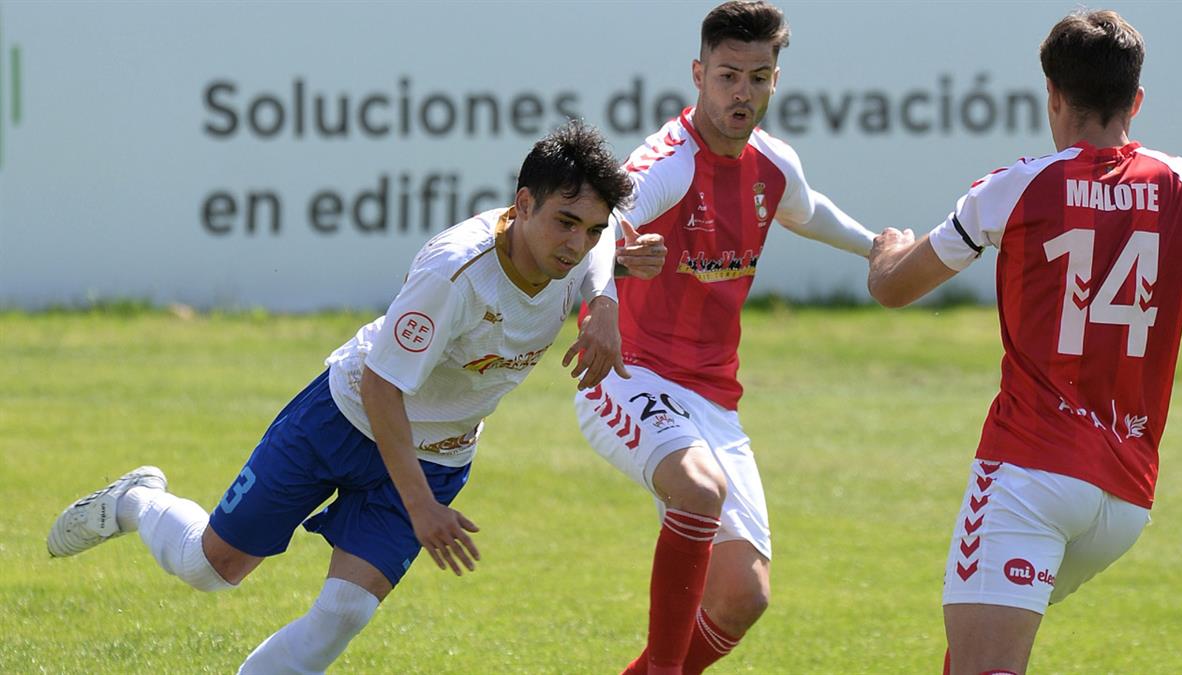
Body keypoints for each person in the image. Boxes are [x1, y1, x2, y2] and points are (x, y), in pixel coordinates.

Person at [46, 120, 667, 673]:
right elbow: (381, 385)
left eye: (587, 229)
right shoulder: (453, 274)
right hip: (343, 418)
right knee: (211, 570)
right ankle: (136, 502)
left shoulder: (584, 241)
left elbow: (607, 232)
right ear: (522, 203)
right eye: (564, 223)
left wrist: (605, 303)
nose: (576, 243)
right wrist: (421, 508)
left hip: (439, 453)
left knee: (344, 612)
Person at [866, 10, 1182, 675]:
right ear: (1135, 101)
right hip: (1125, 498)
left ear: (1052, 94)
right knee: (973, 655)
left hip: (1031, 474)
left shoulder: (1015, 187)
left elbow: (895, 288)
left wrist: (886, 254)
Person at [573, 3, 876, 672]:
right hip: (629, 374)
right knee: (699, 492)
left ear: (776, 81)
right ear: (698, 74)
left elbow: (807, 210)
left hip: (713, 400)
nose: (743, 93)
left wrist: (875, 246)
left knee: (744, 593)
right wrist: (604, 291)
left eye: (759, 78)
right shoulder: (670, 162)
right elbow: (600, 224)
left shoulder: (773, 164)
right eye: (729, 76)